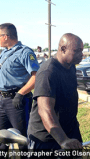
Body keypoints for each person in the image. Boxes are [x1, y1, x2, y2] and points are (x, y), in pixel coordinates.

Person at [27, 33, 83, 152]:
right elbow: (45, 110)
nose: (81, 54)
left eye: (82, 50)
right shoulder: (48, 72)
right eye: (77, 51)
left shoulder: (71, 66)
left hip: (69, 130)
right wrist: (63, 140)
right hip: (48, 138)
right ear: (63, 49)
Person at [0, 23, 39, 152]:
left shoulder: (25, 52)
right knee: (1, 138)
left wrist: (21, 93)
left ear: (5, 36)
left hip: (17, 101)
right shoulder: (4, 53)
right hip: (2, 101)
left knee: (22, 139)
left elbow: (36, 76)